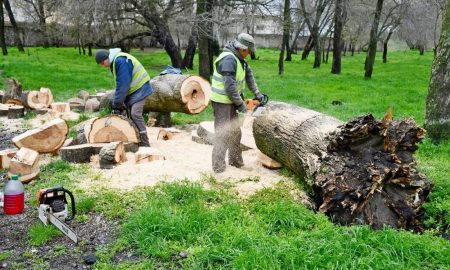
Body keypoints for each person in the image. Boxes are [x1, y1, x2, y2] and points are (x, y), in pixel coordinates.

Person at [210, 33, 267, 173]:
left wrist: (258, 95)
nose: (248, 54)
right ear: (242, 48)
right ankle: (218, 167)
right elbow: (229, 87)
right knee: (222, 133)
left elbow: (249, 76)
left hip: (231, 100)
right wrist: (241, 105)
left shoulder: (240, 59)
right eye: (248, 51)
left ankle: (235, 161)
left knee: (235, 132)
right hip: (222, 102)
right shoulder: (229, 59)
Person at [95, 48, 152, 147]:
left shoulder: (120, 61)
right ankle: (134, 138)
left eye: (102, 63)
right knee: (128, 112)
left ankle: (144, 140)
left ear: (106, 58)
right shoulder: (115, 61)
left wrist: (116, 105)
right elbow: (120, 85)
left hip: (141, 87)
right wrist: (120, 103)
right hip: (134, 89)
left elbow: (123, 84)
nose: (102, 66)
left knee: (135, 113)